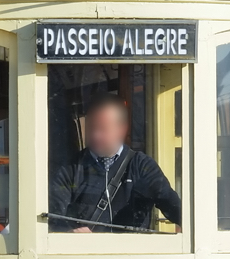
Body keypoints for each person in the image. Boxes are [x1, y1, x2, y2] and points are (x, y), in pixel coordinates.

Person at [49, 95, 181, 233]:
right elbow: (52, 217)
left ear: (121, 129)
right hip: (85, 253)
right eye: (90, 128)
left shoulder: (142, 166)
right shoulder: (70, 169)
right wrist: (67, 233)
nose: (95, 135)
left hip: (131, 253)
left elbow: (174, 207)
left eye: (102, 129)